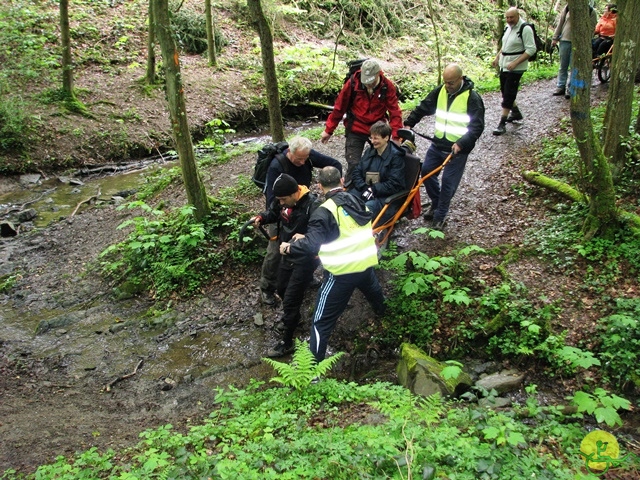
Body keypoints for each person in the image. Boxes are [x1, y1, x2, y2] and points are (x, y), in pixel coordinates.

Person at [279, 166, 385, 362]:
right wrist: (310, 235)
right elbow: (344, 229)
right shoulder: (356, 199)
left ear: (319, 186)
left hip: (341, 274)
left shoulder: (324, 211)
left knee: (320, 322)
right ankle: (386, 319)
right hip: (365, 264)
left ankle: (312, 372)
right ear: (342, 181)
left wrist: (288, 248)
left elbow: (311, 246)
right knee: (375, 294)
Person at [259, 136, 342, 306]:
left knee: (307, 244)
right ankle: (267, 288)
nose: (303, 162)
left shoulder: (307, 156)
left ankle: (306, 276)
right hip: (282, 210)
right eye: (299, 158)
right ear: (290, 151)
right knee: (276, 251)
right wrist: (278, 214)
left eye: (306, 158)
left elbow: (334, 164)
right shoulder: (276, 166)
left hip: (303, 208)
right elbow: (272, 200)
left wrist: (335, 187)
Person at [403, 64, 485, 230]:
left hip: (457, 150)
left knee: (448, 182)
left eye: (451, 83)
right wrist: (409, 123)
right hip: (438, 144)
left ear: (460, 79)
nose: (448, 86)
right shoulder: (440, 91)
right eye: (446, 82)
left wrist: (461, 143)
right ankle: (436, 203)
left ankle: (440, 216)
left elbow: (477, 127)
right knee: (426, 172)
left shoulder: (472, 98)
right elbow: (424, 106)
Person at [252, 174, 321, 357]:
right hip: (287, 254)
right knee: (281, 289)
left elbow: (319, 234)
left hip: (306, 259)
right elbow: (274, 213)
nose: (281, 203)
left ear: (294, 193)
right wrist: (262, 217)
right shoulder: (282, 201)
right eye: (279, 200)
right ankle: (294, 318)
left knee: (291, 299)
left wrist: (303, 240)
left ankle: (287, 341)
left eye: (283, 199)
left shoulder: (312, 206)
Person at [320, 59, 402, 184]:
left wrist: (396, 136)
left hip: (377, 129)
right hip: (356, 128)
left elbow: (394, 112)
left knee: (379, 161)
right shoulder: (353, 83)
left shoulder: (387, 86)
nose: (368, 85)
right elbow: (339, 107)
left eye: (371, 82)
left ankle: (374, 188)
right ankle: (349, 190)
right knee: (354, 163)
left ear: (378, 74)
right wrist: (329, 130)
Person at [348, 120, 406, 220]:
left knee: (365, 210)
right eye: (371, 137)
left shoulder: (396, 157)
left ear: (386, 138)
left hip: (385, 197)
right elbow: (357, 171)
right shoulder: (369, 152)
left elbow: (395, 184)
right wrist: (364, 187)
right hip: (365, 189)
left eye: (376, 138)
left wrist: (374, 189)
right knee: (347, 201)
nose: (372, 141)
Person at [491, 7, 536, 135]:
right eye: (507, 17)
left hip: (517, 67)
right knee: (504, 90)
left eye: (512, 17)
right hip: (504, 65)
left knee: (509, 92)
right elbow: (504, 46)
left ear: (518, 16)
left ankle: (502, 123)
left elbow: (531, 49)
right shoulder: (508, 28)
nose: (509, 20)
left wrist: (516, 62)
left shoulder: (525, 29)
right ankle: (515, 112)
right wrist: (497, 58)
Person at [551, 3, 597, 98]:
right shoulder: (568, 7)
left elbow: (592, 28)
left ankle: (570, 88)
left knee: (574, 66)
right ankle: (560, 86)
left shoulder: (591, 11)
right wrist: (555, 38)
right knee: (563, 65)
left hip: (579, 43)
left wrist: (585, 40)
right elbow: (561, 23)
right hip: (565, 40)